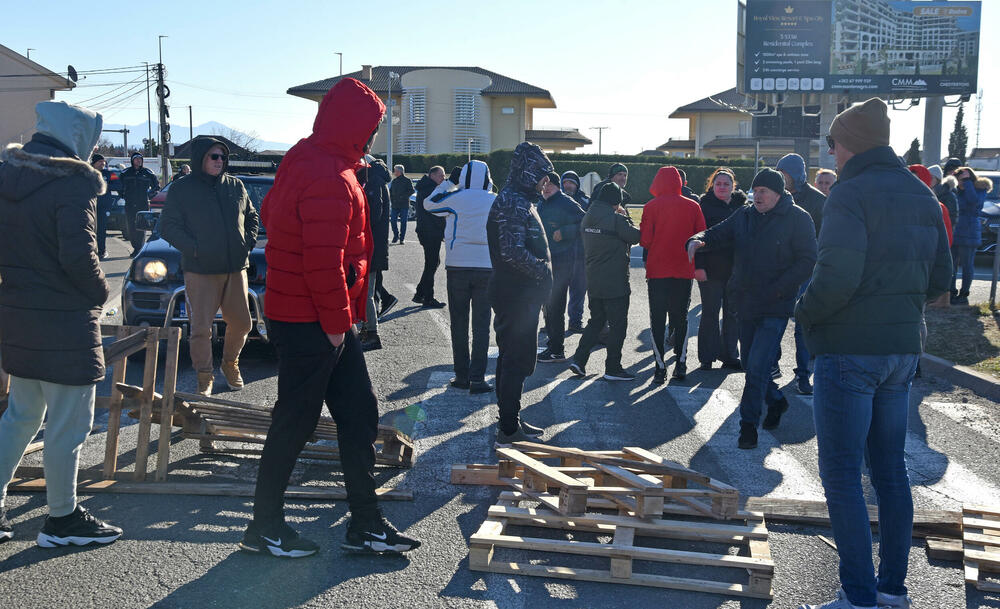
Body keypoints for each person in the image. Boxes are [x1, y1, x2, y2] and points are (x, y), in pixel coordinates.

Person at [244, 77, 419, 558]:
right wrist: (339, 326)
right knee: (295, 422)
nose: (374, 137)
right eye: (372, 127)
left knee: (358, 414)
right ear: (355, 126)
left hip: (307, 315)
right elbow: (322, 261)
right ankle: (265, 527)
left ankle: (364, 523)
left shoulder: (308, 159)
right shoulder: (329, 175)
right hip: (314, 321)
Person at [795, 97, 952, 609]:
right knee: (889, 469)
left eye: (833, 143)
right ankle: (892, 589)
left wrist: (805, 313)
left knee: (841, 473)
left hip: (849, 350)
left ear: (849, 144)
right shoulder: (923, 194)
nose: (831, 153)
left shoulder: (849, 193)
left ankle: (859, 596)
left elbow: (835, 276)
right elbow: (940, 283)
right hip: (901, 350)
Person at [0, 100, 123, 547]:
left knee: (20, 417)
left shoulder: (6, 174)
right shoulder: (72, 183)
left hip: (17, 317)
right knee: (69, 424)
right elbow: (79, 256)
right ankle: (62, 519)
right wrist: (100, 295)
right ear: (78, 137)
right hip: (66, 322)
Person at [687, 168, 817, 449]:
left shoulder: (798, 219)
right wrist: (698, 239)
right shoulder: (745, 215)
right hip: (744, 302)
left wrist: (781, 288)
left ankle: (748, 426)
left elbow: (808, 260)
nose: (757, 196)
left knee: (758, 365)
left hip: (776, 305)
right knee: (750, 364)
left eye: (764, 192)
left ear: (778, 194)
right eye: (755, 191)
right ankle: (776, 401)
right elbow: (718, 233)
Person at [160, 137, 258, 396]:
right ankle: (205, 376)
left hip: (236, 267)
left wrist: (247, 242)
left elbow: (251, 216)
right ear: (201, 158)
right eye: (214, 156)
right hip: (200, 269)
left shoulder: (236, 186)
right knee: (201, 329)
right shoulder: (183, 189)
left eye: (223, 157)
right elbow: (168, 226)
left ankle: (229, 364)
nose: (219, 161)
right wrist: (195, 249)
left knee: (242, 323)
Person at [487, 142, 553, 446]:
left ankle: (510, 419)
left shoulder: (519, 200)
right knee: (515, 361)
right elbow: (512, 252)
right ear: (530, 174)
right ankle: (509, 428)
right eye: (542, 176)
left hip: (519, 294)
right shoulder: (513, 202)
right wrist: (543, 270)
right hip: (516, 296)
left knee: (515, 360)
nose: (545, 183)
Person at [425, 160, 496, 394]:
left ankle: (462, 376)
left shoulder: (455, 198)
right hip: (487, 266)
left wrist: (447, 183)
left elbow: (428, 204)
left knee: (459, 322)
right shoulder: (494, 199)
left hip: (457, 265)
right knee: (482, 325)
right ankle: (478, 378)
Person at [569, 181, 641, 381]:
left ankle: (579, 360)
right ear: (615, 201)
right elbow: (636, 237)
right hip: (615, 281)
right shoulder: (617, 220)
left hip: (593, 278)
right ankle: (613, 368)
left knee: (595, 321)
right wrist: (627, 219)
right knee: (618, 325)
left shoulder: (587, 218)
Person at [640, 166, 706, 383]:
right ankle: (681, 362)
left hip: (658, 270)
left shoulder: (651, 206)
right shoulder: (693, 206)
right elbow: (702, 236)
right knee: (681, 317)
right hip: (683, 269)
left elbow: (645, 241)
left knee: (657, 319)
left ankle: (660, 367)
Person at [776, 152, 827, 395]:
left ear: (796, 174)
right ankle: (771, 364)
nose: (781, 178)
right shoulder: (776, 195)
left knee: (802, 324)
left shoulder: (818, 200)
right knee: (773, 318)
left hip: (807, 270)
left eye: (784, 173)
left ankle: (803, 374)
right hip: (779, 269)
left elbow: (825, 237)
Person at [695, 168, 745, 371]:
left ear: (734, 186)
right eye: (718, 184)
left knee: (732, 314)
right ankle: (706, 357)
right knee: (710, 313)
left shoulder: (742, 206)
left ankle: (730, 355)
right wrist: (698, 267)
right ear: (712, 186)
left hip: (736, 270)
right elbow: (696, 237)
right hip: (710, 270)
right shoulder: (703, 206)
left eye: (726, 184)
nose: (722, 187)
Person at [537, 171, 586, 363]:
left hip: (563, 261)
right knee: (548, 305)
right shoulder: (542, 202)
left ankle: (557, 349)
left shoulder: (566, 202)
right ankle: (553, 344)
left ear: (557, 186)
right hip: (546, 260)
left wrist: (565, 231)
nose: (546, 188)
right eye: (544, 184)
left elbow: (586, 221)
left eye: (550, 185)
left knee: (555, 305)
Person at [358, 154, 396, 351]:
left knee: (367, 293)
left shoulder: (373, 182)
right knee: (368, 291)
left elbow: (373, 215)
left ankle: (371, 333)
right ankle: (367, 330)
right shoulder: (378, 181)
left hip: (371, 246)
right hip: (375, 245)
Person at [950, 166, 992, 305]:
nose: (960, 182)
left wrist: (968, 183)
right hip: (955, 230)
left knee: (967, 265)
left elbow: (974, 202)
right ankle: (950, 291)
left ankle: (964, 292)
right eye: (959, 179)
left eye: (964, 179)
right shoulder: (956, 190)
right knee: (951, 264)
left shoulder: (979, 189)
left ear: (970, 178)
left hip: (969, 231)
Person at [414, 166, 448, 308]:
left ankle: (420, 293)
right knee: (432, 263)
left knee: (433, 263)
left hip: (428, 231)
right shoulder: (430, 189)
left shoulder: (427, 187)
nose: (443, 178)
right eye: (441, 175)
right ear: (432, 175)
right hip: (430, 231)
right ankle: (428, 297)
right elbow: (435, 212)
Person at [561, 170, 590, 334]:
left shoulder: (585, 202)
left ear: (577, 185)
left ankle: (575, 321)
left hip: (580, 253)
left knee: (578, 291)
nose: (568, 185)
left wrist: (565, 231)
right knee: (556, 290)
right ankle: (552, 321)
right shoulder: (554, 201)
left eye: (571, 182)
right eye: (565, 182)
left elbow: (585, 225)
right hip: (559, 254)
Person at [119, 151, 159, 256]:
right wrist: (123, 195)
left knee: (141, 225)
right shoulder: (125, 173)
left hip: (143, 203)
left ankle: (139, 249)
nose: (139, 161)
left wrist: (149, 195)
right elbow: (119, 186)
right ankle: (136, 247)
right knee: (131, 226)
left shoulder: (148, 172)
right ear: (132, 161)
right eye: (136, 159)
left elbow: (156, 186)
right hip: (130, 203)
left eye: (140, 159)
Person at [91, 153, 116, 259]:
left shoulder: (109, 174)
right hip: (90, 206)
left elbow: (118, 185)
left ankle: (102, 250)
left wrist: (104, 186)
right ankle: (91, 250)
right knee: (90, 229)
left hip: (103, 206)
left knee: (101, 229)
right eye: (100, 161)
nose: (102, 163)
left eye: (103, 161)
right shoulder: (88, 173)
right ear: (94, 163)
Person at [927, 164, 958, 233]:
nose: (928, 179)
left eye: (931, 177)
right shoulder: (926, 192)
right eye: (927, 177)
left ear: (938, 180)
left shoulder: (949, 195)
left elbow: (952, 218)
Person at [389, 164, 413, 244]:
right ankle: (396, 235)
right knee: (392, 221)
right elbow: (391, 191)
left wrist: (403, 197)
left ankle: (402, 238)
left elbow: (411, 190)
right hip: (395, 205)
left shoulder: (407, 180)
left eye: (395, 170)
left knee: (403, 222)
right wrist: (391, 199)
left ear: (399, 171)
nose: (394, 172)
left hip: (404, 205)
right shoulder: (394, 181)